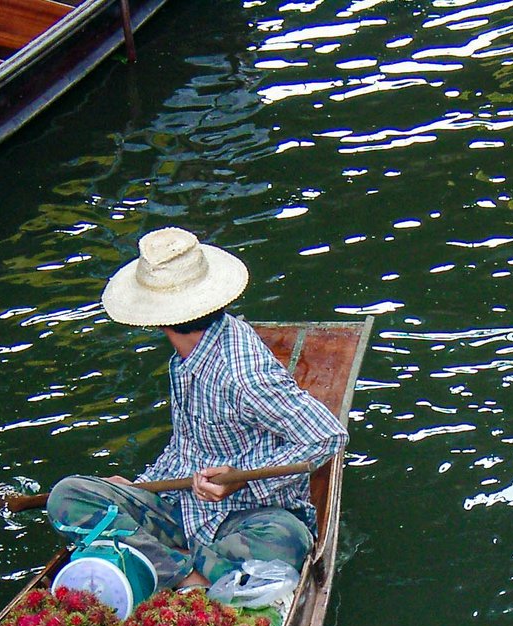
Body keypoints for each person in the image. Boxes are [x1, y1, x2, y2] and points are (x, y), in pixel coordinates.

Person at [47, 227, 348, 591]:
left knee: (286, 541)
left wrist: (237, 478)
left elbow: (329, 435)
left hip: (245, 517)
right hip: (182, 506)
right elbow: (186, 445)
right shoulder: (187, 358)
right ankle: (190, 574)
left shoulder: (242, 374)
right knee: (66, 495)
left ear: (157, 318)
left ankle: (158, 563)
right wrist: (141, 488)